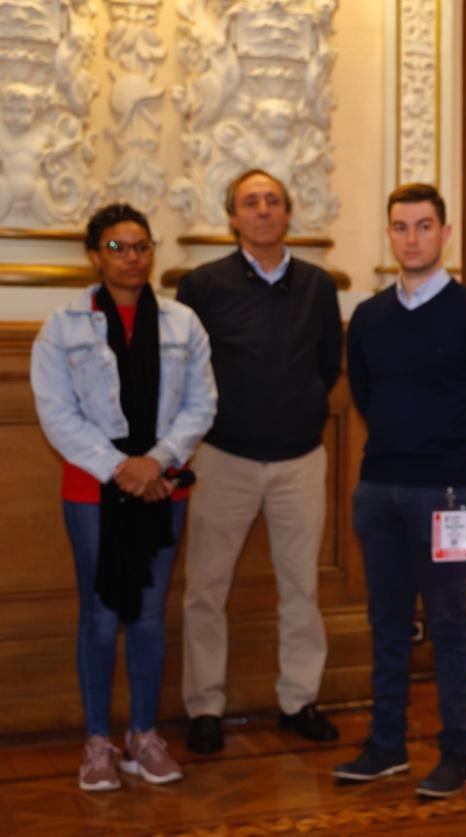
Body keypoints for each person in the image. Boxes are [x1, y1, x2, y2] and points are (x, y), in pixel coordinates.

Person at [333, 183, 466, 797]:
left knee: (449, 624)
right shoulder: (368, 317)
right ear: (388, 234)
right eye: (400, 226)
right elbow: (365, 396)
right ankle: (385, 746)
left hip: (448, 495)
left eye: (423, 226)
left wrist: (461, 460)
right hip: (379, 493)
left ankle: (455, 754)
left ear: (445, 234)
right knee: (387, 621)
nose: (411, 237)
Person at [31, 203, 216, 791]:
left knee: (148, 614)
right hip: (93, 490)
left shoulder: (184, 323)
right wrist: (121, 468)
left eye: (141, 246)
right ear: (95, 256)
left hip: (163, 484)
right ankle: (97, 742)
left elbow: (201, 405)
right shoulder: (63, 325)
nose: (132, 256)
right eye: (118, 247)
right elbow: (58, 414)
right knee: (101, 613)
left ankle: (143, 735)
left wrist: (154, 463)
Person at [176, 169, 344, 754]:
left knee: (301, 587)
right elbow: (188, 370)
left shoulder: (318, 286)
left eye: (274, 200)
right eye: (252, 202)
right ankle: (205, 706)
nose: (264, 210)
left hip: (300, 460)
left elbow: (328, 367)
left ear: (288, 213)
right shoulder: (203, 284)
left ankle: (299, 699)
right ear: (233, 217)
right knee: (205, 588)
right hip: (224, 458)